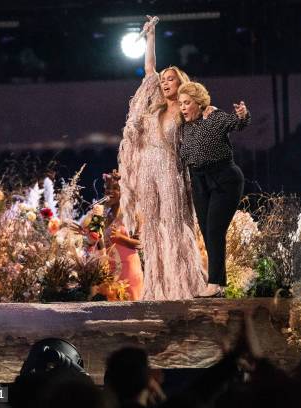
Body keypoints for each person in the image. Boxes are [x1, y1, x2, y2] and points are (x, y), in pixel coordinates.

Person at [118, 16, 206, 300]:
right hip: (147, 168)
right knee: (152, 227)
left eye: (171, 79)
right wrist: (151, 35)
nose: (166, 82)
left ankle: (183, 284)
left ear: (181, 85)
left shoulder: (183, 112)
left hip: (169, 169)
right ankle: (155, 288)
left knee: (175, 222)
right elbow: (149, 69)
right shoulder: (154, 109)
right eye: (164, 80)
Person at [178, 81, 250, 297]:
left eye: (187, 103)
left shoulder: (214, 116)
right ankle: (219, 284)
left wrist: (242, 114)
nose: (183, 108)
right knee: (208, 234)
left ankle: (214, 283)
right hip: (199, 183)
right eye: (181, 103)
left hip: (224, 180)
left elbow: (237, 124)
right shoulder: (185, 127)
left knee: (215, 230)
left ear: (199, 103)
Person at [102, 171, 144, 301]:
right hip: (111, 271)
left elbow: (141, 243)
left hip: (129, 270)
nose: (110, 191)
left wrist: (121, 237)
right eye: (108, 188)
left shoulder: (132, 214)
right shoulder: (105, 215)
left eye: (115, 188)